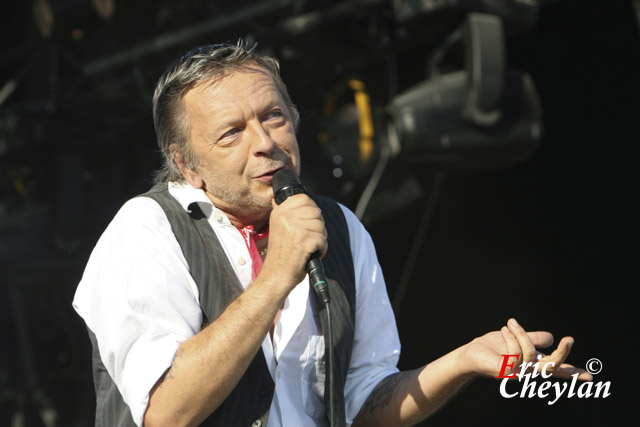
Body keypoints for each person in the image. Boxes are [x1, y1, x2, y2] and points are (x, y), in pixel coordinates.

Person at [73, 41, 591, 427]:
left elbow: (365, 406)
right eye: (232, 132)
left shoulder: (341, 228)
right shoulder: (146, 230)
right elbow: (168, 413)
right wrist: (276, 275)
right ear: (188, 165)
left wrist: (463, 362)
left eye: (273, 117)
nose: (265, 143)